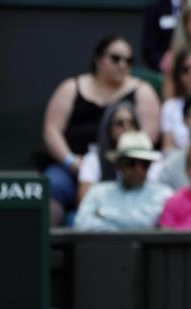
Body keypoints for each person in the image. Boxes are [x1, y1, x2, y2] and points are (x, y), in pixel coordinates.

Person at [42, 36, 160, 223]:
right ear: (98, 59)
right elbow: (51, 131)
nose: (122, 65)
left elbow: (148, 136)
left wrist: (126, 162)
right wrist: (72, 162)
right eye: (115, 58)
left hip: (127, 168)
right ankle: (46, 247)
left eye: (129, 61)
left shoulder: (142, 90)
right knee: (53, 185)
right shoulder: (71, 86)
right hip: (74, 167)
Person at [74, 131, 173, 231]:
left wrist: (103, 213)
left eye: (145, 163)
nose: (138, 169)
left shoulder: (162, 193)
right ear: (118, 164)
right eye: (131, 163)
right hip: (102, 246)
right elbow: (81, 223)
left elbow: (144, 223)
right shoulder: (97, 192)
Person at [77, 99, 140, 205]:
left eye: (132, 123)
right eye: (120, 123)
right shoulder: (93, 159)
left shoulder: (149, 160)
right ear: (109, 128)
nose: (127, 127)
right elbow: (84, 202)